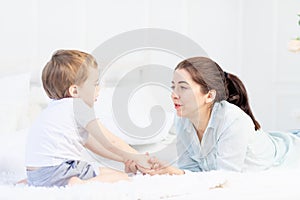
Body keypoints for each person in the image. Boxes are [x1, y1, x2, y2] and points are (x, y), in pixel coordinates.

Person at [137, 56, 300, 175]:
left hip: (289, 152)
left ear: (209, 96)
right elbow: (191, 169)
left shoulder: (233, 120)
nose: (174, 94)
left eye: (183, 87)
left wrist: (175, 172)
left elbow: (225, 178)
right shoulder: (182, 119)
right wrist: (163, 169)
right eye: (173, 87)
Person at [25, 50, 152, 187]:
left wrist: (126, 159)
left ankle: (46, 183)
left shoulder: (54, 109)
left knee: (104, 171)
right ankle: (77, 184)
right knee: (121, 177)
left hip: (36, 175)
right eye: (95, 83)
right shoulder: (78, 107)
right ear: (75, 91)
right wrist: (137, 157)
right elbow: (110, 141)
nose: (99, 88)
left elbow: (93, 144)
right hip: (60, 170)